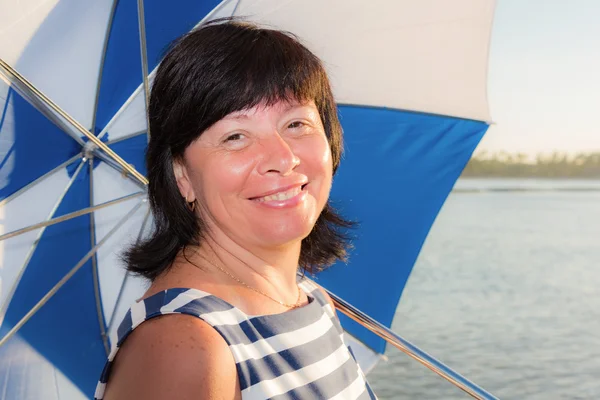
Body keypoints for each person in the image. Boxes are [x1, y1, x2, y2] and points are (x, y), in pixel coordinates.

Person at [95, 19, 377, 400]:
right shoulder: (187, 345)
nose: (282, 157)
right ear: (182, 175)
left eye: (296, 123)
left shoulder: (311, 299)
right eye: (235, 136)